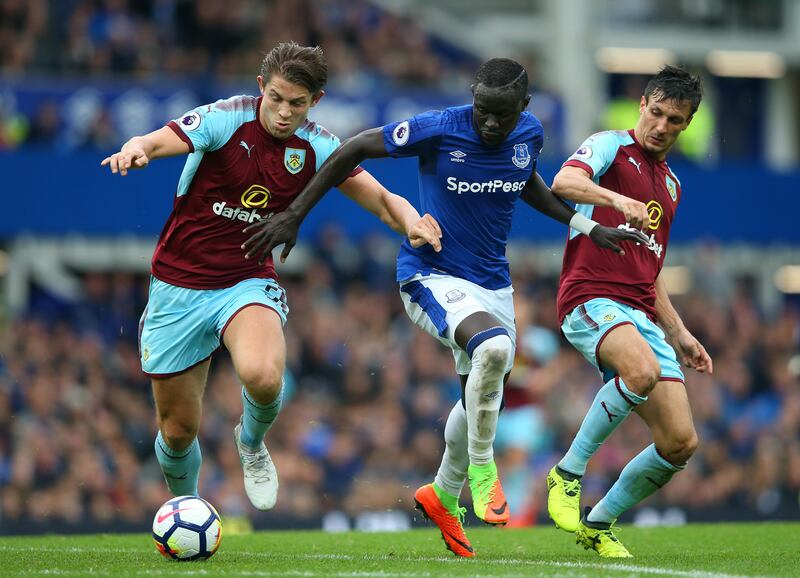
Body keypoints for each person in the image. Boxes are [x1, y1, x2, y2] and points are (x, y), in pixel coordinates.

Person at [243, 57, 647, 556]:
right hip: (430, 274)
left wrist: (588, 226)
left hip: (493, 285)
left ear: (523, 108)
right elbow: (354, 148)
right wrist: (294, 213)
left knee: (478, 398)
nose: (490, 123)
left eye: (502, 114)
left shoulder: (530, 135)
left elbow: (528, 183)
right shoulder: (440, 128)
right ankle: (483, 468)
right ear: (472, 100)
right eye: (483, 112)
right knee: (495, 351)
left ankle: (440, 494)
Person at [100, 42, 441, 512]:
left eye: (296, 104)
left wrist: (413, 222)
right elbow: (160, 139)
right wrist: (135, 148)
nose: (283, 113)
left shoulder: (319, 146)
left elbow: (383, 200)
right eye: (276, 98)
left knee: (263, 378)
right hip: (178, 285)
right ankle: (187, 509)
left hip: (246, 279)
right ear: (261, 87)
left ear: (315, 101)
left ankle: (251, 441)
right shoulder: (225, 119)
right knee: (178, 431)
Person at [546, 65, 713, 557]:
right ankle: (567, 474)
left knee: (680, 443)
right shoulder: (608, 146)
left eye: (675, 119)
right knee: (637, 372)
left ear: (687, 123)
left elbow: (650, 266)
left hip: (641, 312)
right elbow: (562, 182)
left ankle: (598, 525)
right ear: (642, 104)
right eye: (656, 112)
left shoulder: (673, 186)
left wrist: (679, 332)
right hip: (589, 296)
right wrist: (617, 199)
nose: (661, 126)